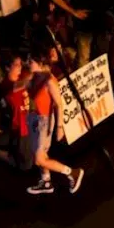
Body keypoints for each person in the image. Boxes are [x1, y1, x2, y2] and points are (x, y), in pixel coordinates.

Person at [24, 52, 83, 195]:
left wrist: (59, 127)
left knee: (39, 159)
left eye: (31, 60)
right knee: (39, 154)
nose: (28, 63)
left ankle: (72, 172)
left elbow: (58, 104)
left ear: (40, 63)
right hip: (34, 118)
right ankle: (46, 181)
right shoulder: (34, 77)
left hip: (44, 120)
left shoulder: (49, 80)